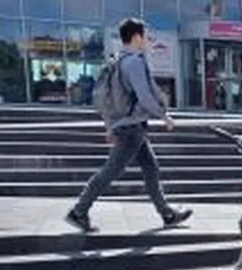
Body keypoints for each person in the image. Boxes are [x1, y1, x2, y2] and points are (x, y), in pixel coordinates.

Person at [65, 18, 191, 232]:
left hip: (130, 126)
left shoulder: (120, 61)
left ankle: (167, 214)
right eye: (145, 35)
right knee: (111, 171)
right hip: (132, 128)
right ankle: (79, 211)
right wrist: (164, 116)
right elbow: (144, 96)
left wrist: (110, 125)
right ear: (136, 37)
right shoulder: (134, 62)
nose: (148, 40)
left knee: (150, 168)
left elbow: (110, 99)